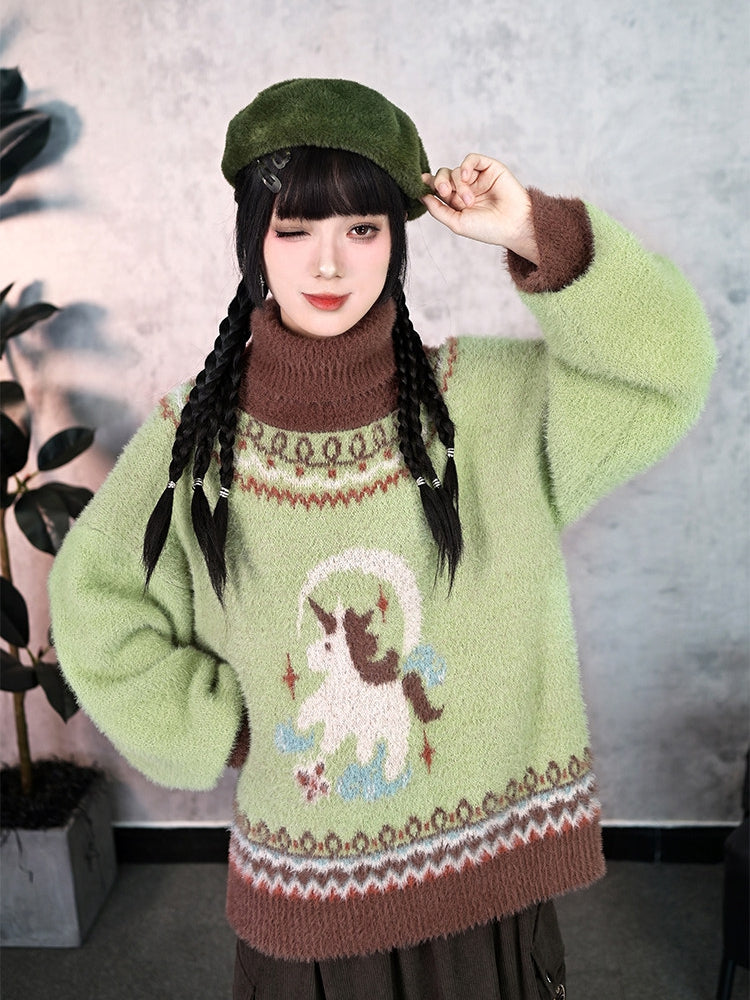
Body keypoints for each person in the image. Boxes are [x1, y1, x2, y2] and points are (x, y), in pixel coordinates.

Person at [49, 78, 715, 999]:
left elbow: (665, 370)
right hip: (310, 902)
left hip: (486, 890)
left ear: (399, 240)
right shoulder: (195, 439)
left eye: (362, 228)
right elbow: (95, 598)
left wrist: (534, 229)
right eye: (295, 229)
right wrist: (221, 727)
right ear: (253, 241)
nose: (329, 263)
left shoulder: (483, 406)